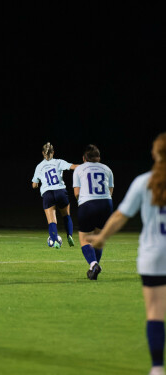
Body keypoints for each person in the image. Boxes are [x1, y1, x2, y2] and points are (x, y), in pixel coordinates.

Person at [90, 133, 166, 375]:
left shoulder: (144, 181)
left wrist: (102, 238)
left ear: (155, 154)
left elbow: (121, 215)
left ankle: (157, 368)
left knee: (155, 313)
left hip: (153, 255)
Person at [73, 144, 114, 280]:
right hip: (106, 204)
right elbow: (110, 192)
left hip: (88, 204)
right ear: (99, 158)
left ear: (84, 158)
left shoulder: (79, 169)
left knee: (85, 239)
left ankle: (93, 264)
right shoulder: (107, 169)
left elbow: (77, 193)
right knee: (98, 239)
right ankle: (93, 269)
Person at [32, 142, 79, 249]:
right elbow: (73, 167)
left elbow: (34, 185)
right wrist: (87, 166)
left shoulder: (39, 166)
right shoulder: (59, 162)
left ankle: (54, 241)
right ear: (53, 152)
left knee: (52, 220)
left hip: (48, 193)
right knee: (66, 216)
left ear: (43, 153)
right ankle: (69, 235)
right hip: (60, 191)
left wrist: (38, 183)